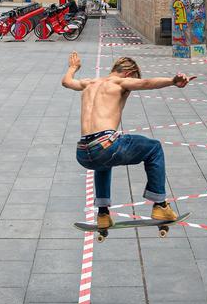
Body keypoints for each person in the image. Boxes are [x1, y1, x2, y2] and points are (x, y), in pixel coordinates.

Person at [62, 53, 193, 229]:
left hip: (83, 152)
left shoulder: (89, 83)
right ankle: (160, 205)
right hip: (106, 145)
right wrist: (172, 80)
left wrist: (73, 67)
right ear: (129, 74)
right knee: (154, 148)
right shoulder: (120, 82)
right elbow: (146, 83)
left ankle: (103, 214)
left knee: (102, 164)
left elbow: (67, 82)